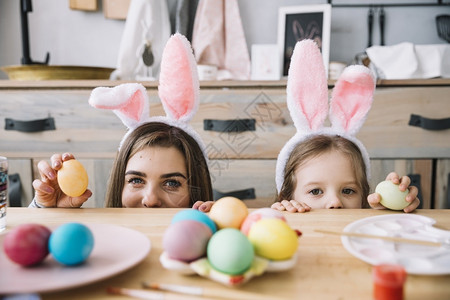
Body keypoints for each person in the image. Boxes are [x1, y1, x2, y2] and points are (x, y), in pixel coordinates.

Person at [30, 33, 215, 212]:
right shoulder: (100, 241)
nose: (150, 200)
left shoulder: (210, 239)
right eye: (136, 180)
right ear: (120, 185)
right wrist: (48, 211)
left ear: (195, 189)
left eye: (172, 183)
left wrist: (219, 227)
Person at [271, 39, 420, 213]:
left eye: (348, 191)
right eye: (316, 191)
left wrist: (393, 210)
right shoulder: (280, 223)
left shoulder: (366, 226)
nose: (335, 202)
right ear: (287, 197)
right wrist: (279, 218)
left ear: (363, 196)